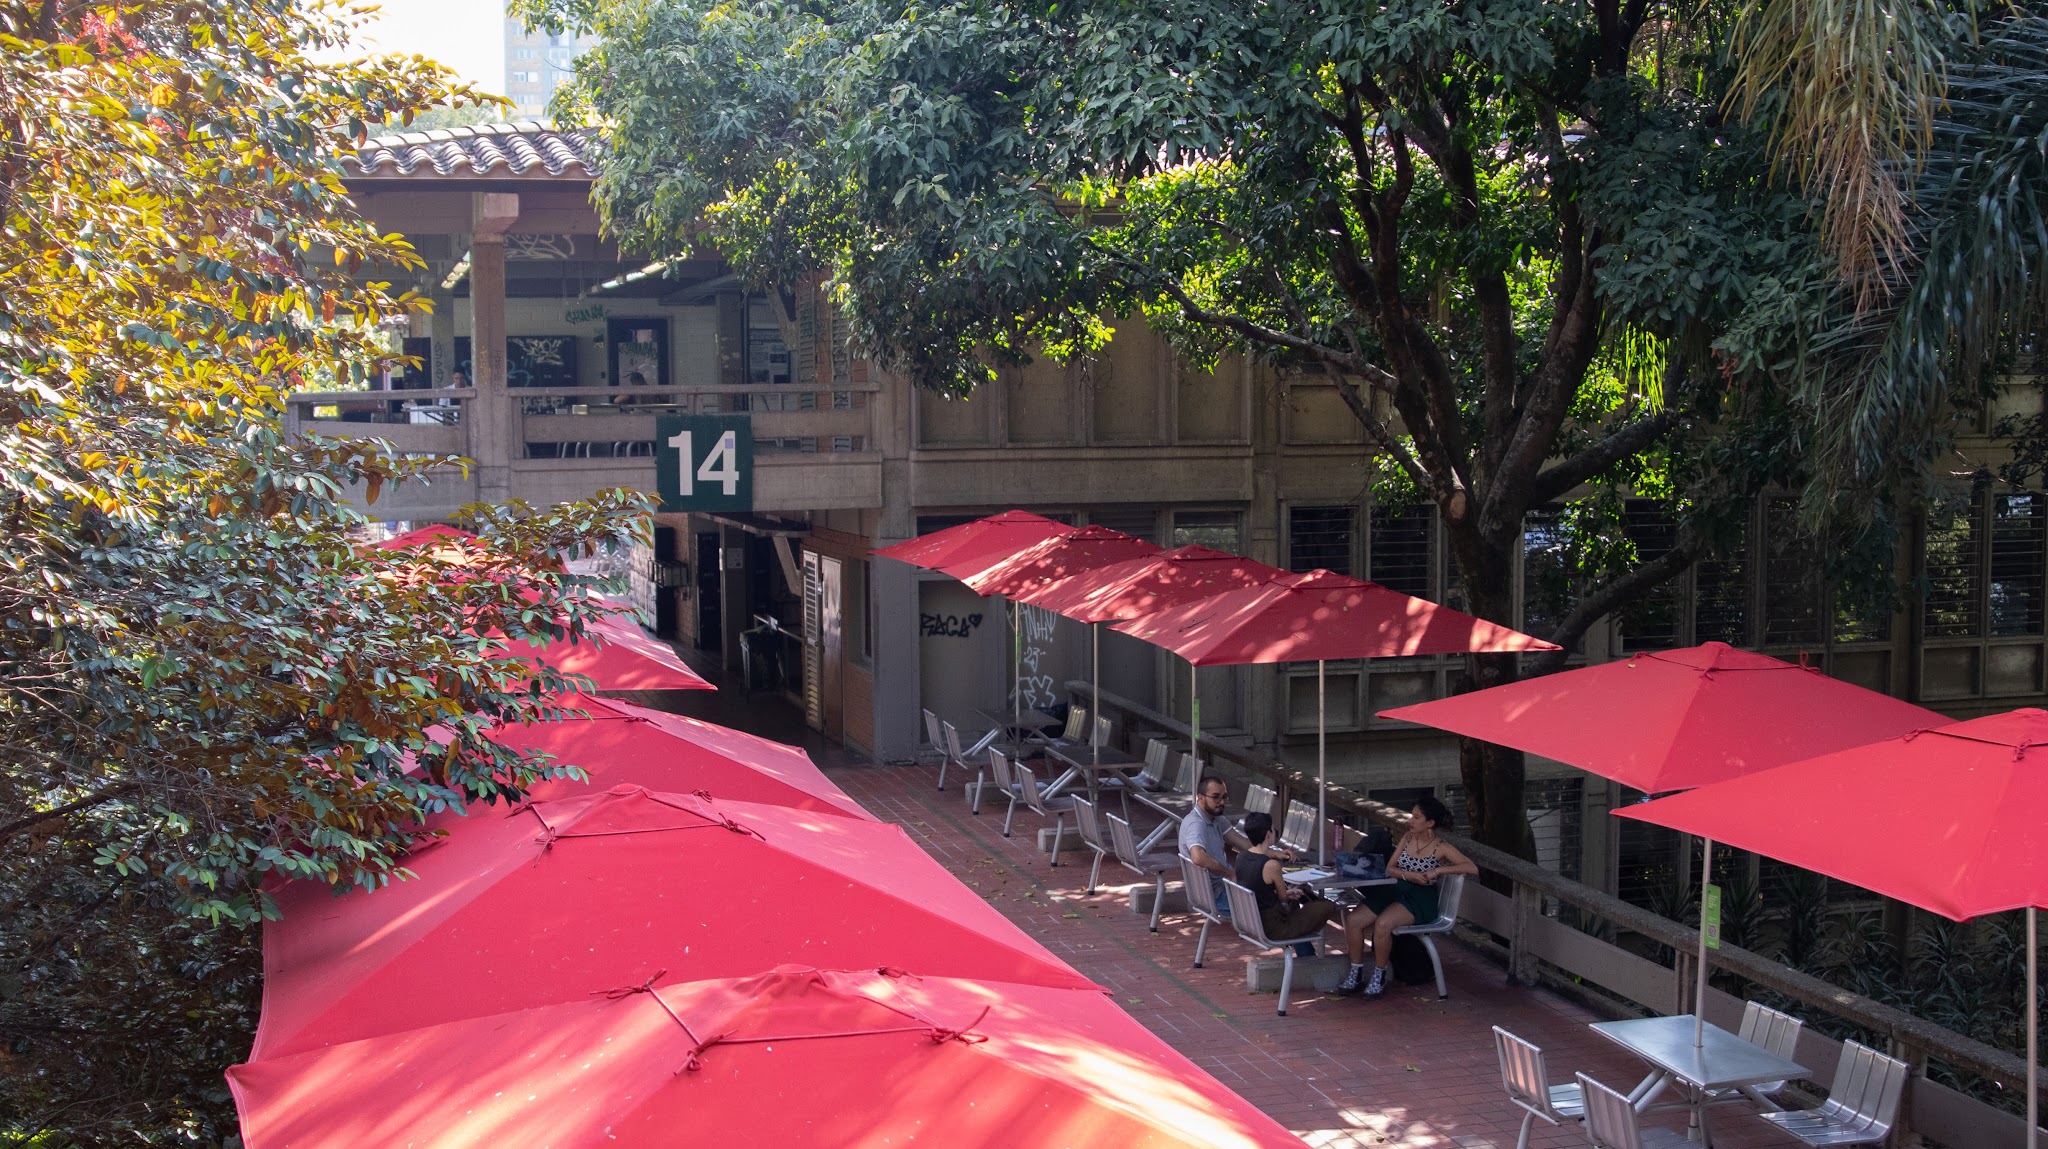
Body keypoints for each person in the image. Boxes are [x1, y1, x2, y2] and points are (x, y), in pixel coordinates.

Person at [1338, 795, 1478, 998]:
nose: (1410, 821)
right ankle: (1356, 971)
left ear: (1430, 823)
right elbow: (1390, 868)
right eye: (1411, 815)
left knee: (1383, 924)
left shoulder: (1441, 847)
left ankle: (1379, 975)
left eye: (1416, 817)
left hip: (1419, 898)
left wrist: (1438, 872)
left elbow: (1471, 867)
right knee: (1353, 920)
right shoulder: (1407, 838)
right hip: (1397, 888)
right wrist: (1409, 875)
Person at [1235, 812, 1370, 961]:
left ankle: (1307, 955)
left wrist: (1289, 893)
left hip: (1253, 922)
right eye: (1273, 830)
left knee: (1298, 902)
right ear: (1268, 834)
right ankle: (1310, 957)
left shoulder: (1241, 857)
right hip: (1274, 928)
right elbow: (1282, 897)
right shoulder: (1271, 865)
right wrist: (1287, 894)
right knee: (1327, 906)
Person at [1178, 775, 1294, 917]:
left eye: (1224, 797)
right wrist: (1229, 873)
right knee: (1277, 904)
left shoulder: (1216, 818)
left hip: (1222, 889)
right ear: (1200, 797)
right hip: (1217, 896)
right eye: (1215, 797)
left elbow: (1242, 842)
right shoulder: (1196, 824)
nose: (1221, 802)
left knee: (1272, 893)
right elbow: (1198, 857)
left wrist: (1275, 853)